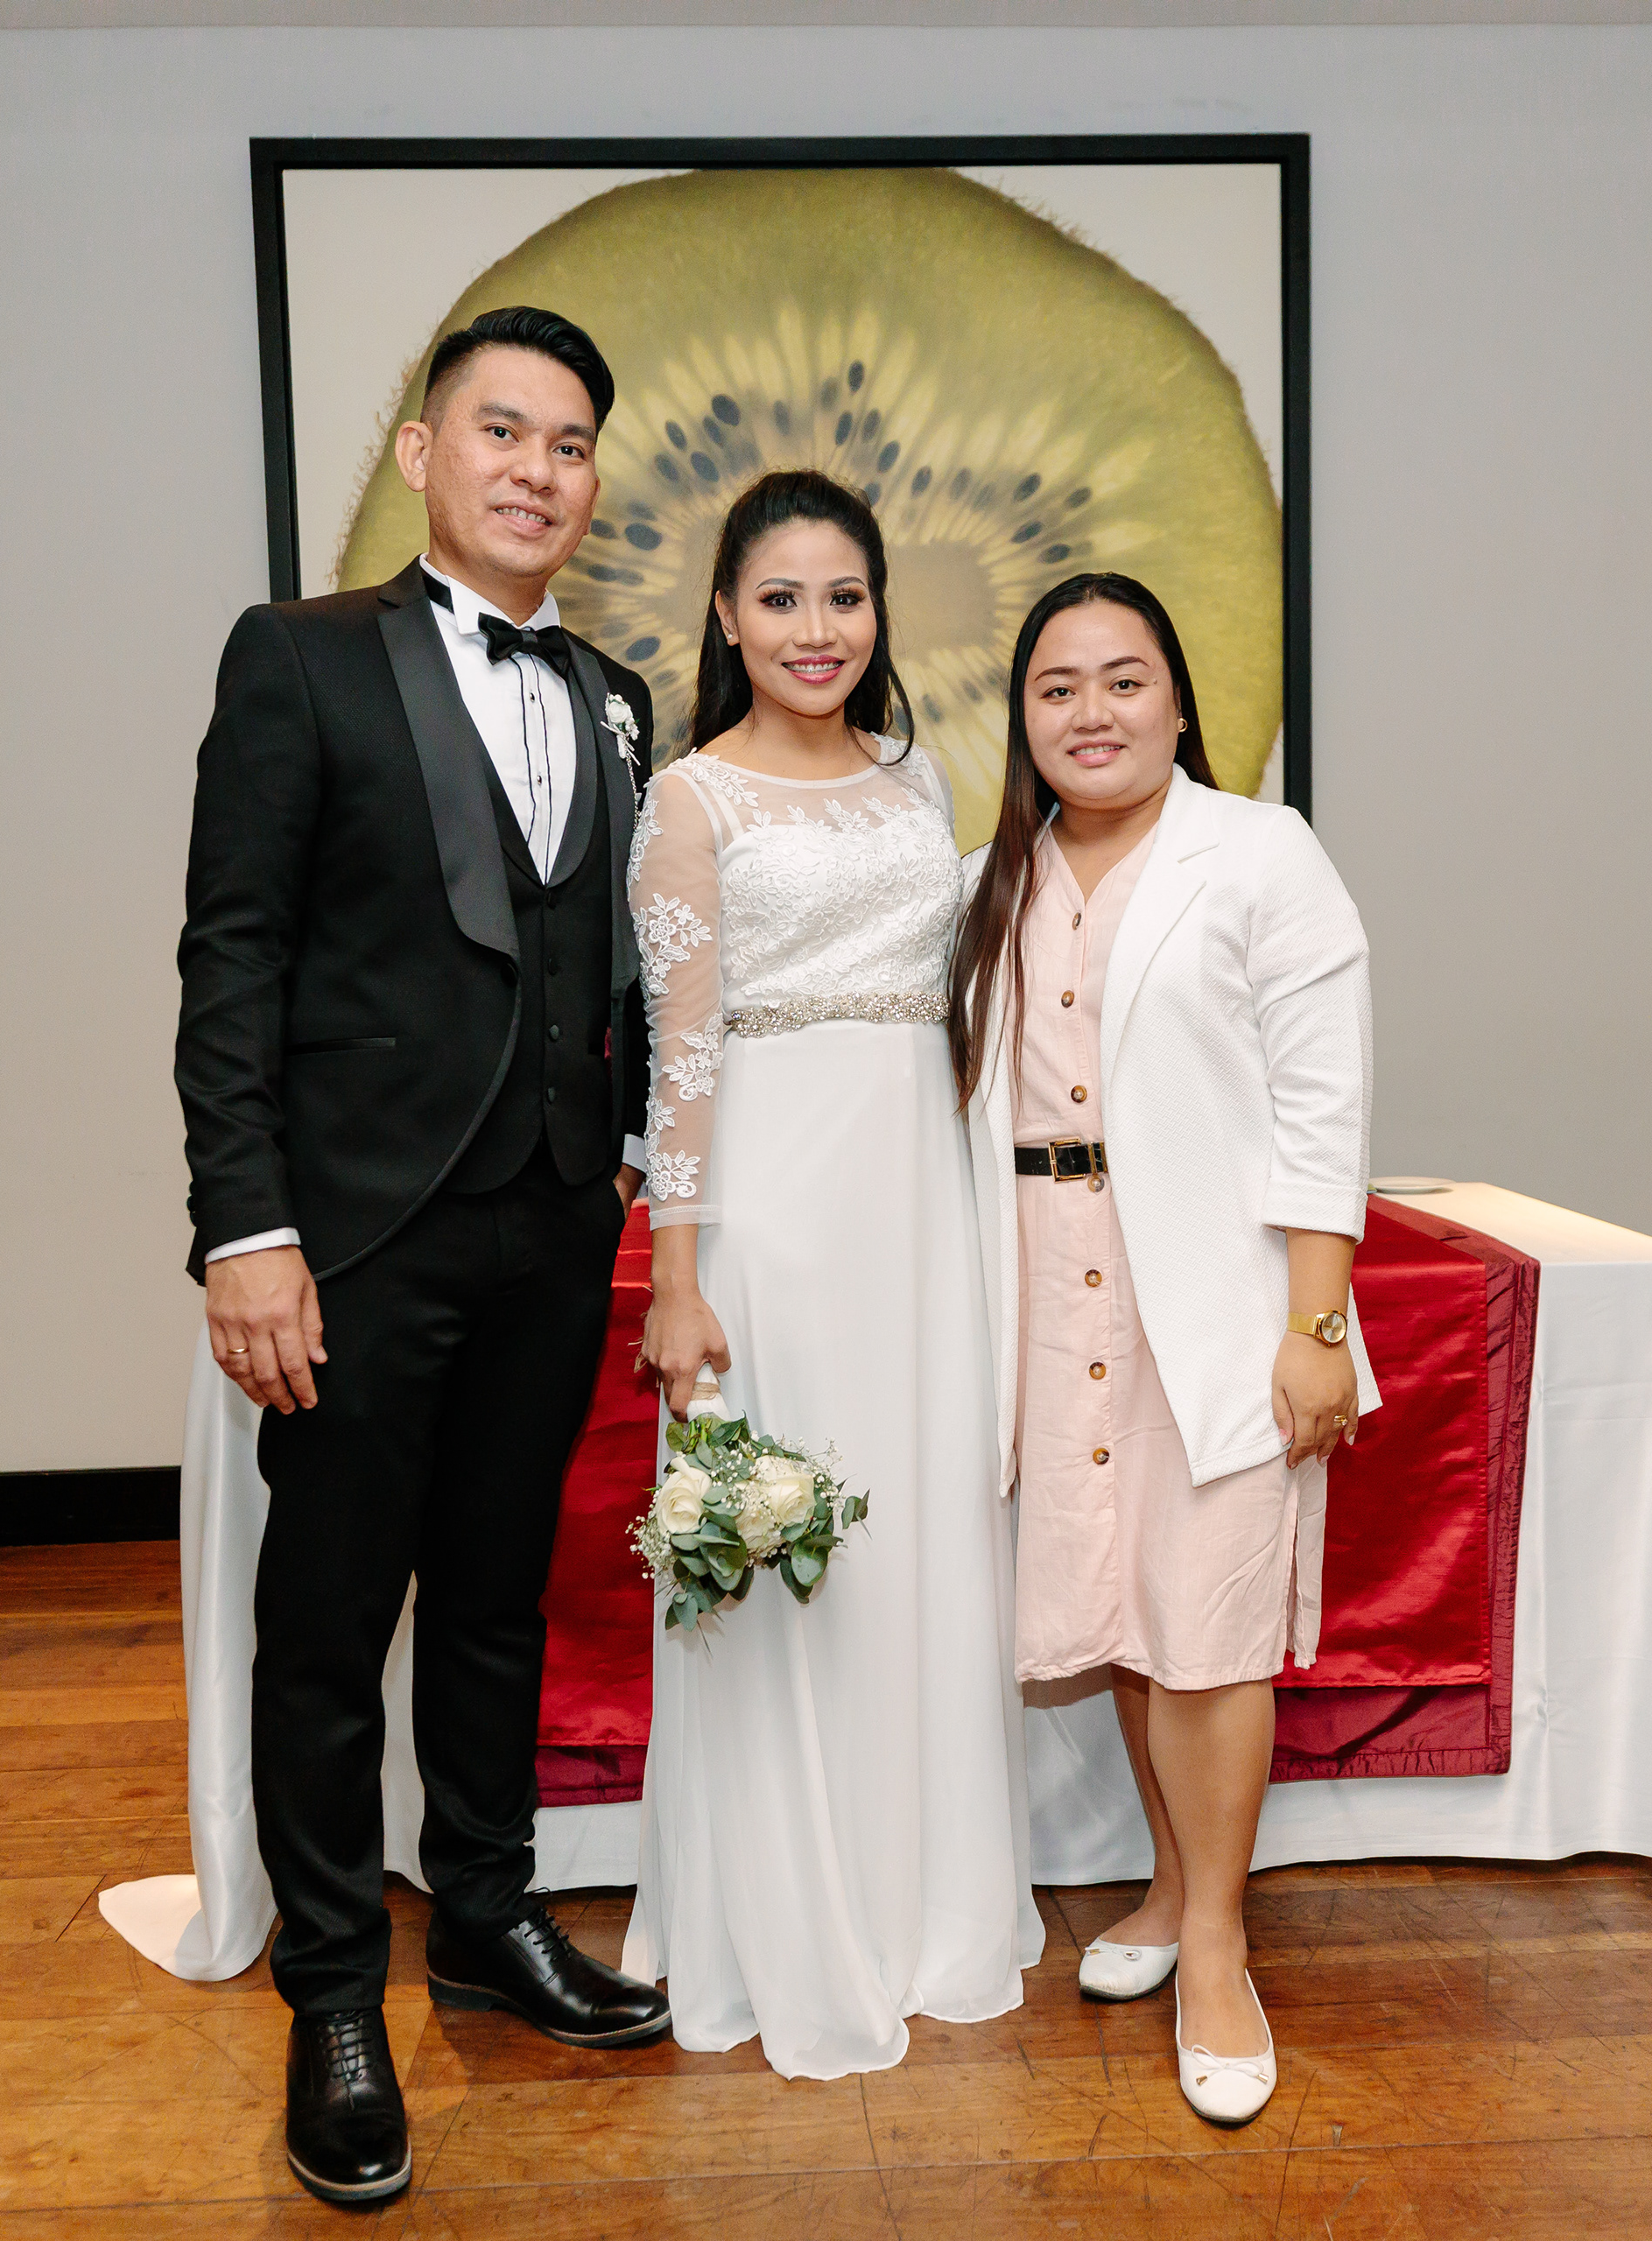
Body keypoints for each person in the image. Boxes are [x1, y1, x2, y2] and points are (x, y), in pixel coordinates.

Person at [174, 305, 672, 2211]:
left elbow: (614, 967)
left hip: (553, 1223)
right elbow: (234, 956)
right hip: (359, 1234)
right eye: (503, 431)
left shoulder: (617, 695)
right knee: (325, 1624)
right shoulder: (300, 657)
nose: (538, 470)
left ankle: (484, 1912)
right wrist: (248, 1226)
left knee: (492, 1597)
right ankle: (332, 1997)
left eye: (570, 444)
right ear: (420, 452)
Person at [621, 468, 1044, 2078]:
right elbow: (680, 1057)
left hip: (921, 1207)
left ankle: (923, 1893)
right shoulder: (690, 799)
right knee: (787, 1533)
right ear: (728, 616)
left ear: (880, 613)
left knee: (923, 1530)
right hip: (775, 1210)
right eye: (782, 598)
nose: (818, 629)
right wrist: (678, 1277)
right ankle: (789, 1913)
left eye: (846, 597)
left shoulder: (914, 777)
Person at [948, 573, 1376, 2128]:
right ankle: (1167, 1885)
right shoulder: (988, 880)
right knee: (1128, 1608)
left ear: (1180, 702)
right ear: (1023, 718)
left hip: (1212, 1296)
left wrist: (1314, 1325)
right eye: (1057, 688)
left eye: (1124, 681)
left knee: (1210, 1624)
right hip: (1045, 1289)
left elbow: (1323, 1107)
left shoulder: (1262, 853)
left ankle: (1217, 1947)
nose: (1092, 713)